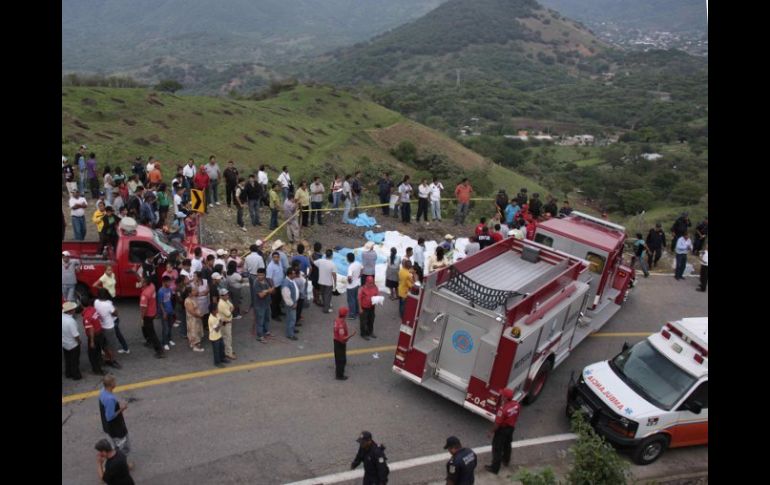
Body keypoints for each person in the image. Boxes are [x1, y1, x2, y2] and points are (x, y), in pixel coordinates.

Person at [485, 388, 521, 474]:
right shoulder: (516, 405)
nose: (501, 396)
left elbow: (497, 423)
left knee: (497, 448)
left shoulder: (502, 409)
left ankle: (494, 468)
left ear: (505, 397)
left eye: (502, 395)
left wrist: (491, 432)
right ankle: (506, 460)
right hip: (511, 428)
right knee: (507, 444)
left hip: (502, 430)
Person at [99, 374, 131, 454]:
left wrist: (117, 403)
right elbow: (110, 417)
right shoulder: (110, 399)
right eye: (114, 381)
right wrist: (122, 409)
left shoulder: (102, 391)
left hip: (107, 427)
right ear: (111, 384)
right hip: (115, 428)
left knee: (114, 443)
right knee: (123, 445)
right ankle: (123, 463)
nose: (116, 383)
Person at [92, 290, 121, 369]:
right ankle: (112, 360)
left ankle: (105, 358)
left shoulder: (96, 301)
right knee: (112, 345)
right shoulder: (108, 304)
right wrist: (115, 308)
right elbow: (115, 313)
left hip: (100, 326)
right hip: (109, 327)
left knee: (104, 344)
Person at [139, 275, 165, 358]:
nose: (140, 282)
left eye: (142, 281)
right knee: (145, 328)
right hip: (153, 311)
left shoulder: (145, 294)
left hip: (147, 315)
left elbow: (144, 308)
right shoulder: (152, 286)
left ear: (145, 283)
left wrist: (142, 318)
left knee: (151, 332)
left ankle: (159, 350)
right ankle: (149, 341)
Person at [333, 307, 357, 380]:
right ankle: (339, 375)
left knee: (338, 358)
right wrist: (352, 335)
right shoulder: (341, 325)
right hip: (340, 343)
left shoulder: (337, 320)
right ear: (345, 315)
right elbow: (343, 338)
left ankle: (338, 372)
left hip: (336, 340)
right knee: (341, 360)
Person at [62, 301, 83, 380]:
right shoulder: (71, 322)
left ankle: (68, 373)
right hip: (73, 344)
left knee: (67, 359)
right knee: (75, 361)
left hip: (64, 343)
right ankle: (76, 375)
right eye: (73, 309)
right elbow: (75, 335)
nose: (75, 310)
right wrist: (79, 341)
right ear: (71, 311)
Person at [252, 268, 273, 342]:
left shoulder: (266, 280)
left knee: (267, 318)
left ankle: (266, 331)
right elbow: (261, 295)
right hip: (259, 305)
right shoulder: (256, 283)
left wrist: (266, 291)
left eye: (261, 275)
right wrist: (267, 291)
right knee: (260, 321)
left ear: (264, 275)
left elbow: (272, 290)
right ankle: (260, 336)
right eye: (258, 275)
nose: (260, 276)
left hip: (267, 303)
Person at [314, 249, 337, 313]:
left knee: (323, 295)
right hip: (328, 283)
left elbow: (313, 262)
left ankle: (326, 305)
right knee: (328, 296)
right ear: (332, 255)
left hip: (321, 281)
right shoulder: (333, 264)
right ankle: (326, 309)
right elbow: (334, 275)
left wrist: (310, 257)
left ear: (325, 255)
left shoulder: (320, 261)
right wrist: (335, 283)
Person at [184, 287, 205, 352]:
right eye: (193, 290)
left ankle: (194, 343)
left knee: (197, 331)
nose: (195, 291)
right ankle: (195, 346)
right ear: (189, 293)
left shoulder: (193, 298)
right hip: (193, 319)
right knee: (194, 332)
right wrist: (199, 315)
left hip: (197, 319)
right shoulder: (188, 300)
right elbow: (192, 312)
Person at [282, 268, 300, 340]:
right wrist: (292, 304)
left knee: (292, 318)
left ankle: (292, 329)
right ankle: (290, 334)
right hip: (291, 304)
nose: (295, 275)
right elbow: (286, 296)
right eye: (293, 274)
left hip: (294, 302)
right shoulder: (286, 284)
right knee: (291, 319)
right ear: (289, 275)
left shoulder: (291, 280)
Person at [359, 276, 380, 340]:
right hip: (364, 308)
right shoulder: (362, 289)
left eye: (372, 282)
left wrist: (378, 299)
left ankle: (370, 332)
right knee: (363, 321)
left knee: (371, 320)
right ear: (366, 282)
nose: (371, 284)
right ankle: (363, 334)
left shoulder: (375, 287)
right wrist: (360, 308)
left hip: (372, 307)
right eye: (370, 283)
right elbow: (359, 299)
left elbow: (377, 294)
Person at [158, 276, 176, 351]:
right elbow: (160, 303)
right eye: (168, 282)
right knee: (165, 328)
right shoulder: (160, 291)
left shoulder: (169, 289)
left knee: (170, 326)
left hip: (170, 310)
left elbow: (171, 298)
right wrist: (164, 312)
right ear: (164, 282)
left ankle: (169, 339)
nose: (170, 283)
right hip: (164, 312)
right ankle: (164, 343)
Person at [218, 288, 237, 359]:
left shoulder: (226, 301)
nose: (227, 296)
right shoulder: (221, 304)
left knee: (227, 338)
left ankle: (227, 351)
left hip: (227, 322)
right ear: (221, 296)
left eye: (227, 294)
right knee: (227, 338)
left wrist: (230, 309)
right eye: (225, 295)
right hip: (225, 323)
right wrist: (230, 310)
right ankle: (229, 353)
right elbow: (229, 314)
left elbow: (232, 306)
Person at [208, 302, 228, 367]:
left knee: (222, 347)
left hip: (219, 335)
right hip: (214, 337)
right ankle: (217, 362)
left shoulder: (217, 315)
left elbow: (220, 320)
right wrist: (220, 324)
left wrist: (222, 322)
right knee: (216, 351)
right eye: (216, 309)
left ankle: (222, 358)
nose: (217, 310)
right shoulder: (211, 319)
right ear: (213, 311)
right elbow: (216, 329)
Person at [346, 252, 362, 320]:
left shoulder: (350, 267)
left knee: (351, 300)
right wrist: (360, 275)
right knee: (355, 298)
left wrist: (349, 282)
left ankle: (352, 314)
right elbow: (362, 268)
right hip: (357, 284)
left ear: (348, 259)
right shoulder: (358, 263)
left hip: (351, 286)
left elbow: (349, 277)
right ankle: (357, 311)